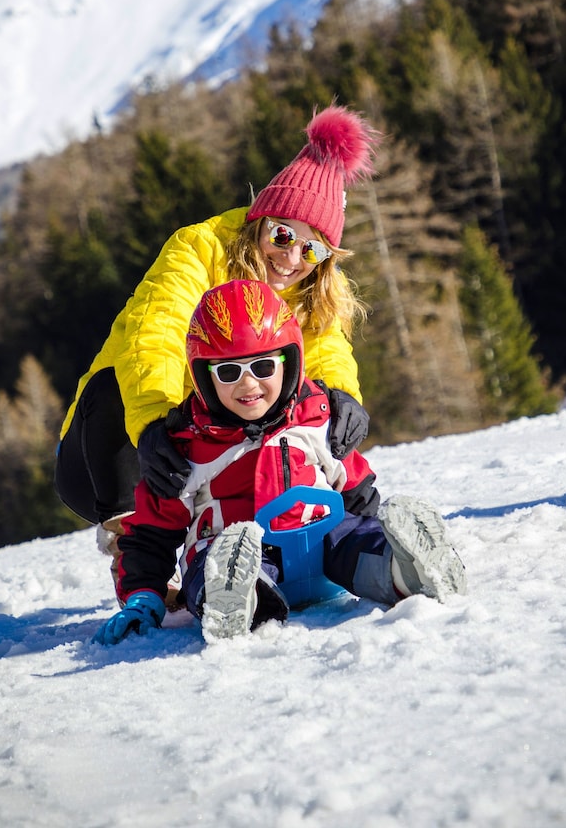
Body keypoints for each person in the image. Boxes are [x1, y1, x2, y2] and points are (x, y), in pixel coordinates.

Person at [55, 104, 380, 532]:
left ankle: (332, 537)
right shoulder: (199, 249)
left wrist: (341, 395)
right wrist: (153, 423)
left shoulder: (310, 283)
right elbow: (156, 333)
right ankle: (131, 548)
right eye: (282, 235)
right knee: (113, 387)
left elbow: (325, 346)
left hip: (212, 448)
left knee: (303, 407)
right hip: (115, 453)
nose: (291, 258)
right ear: (260, 220)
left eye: (312, 249)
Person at [93, 280, 467, 645]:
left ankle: (405, 569)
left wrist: (370, 527)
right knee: (215, 561)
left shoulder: (317, 417)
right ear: (202, 375)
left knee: (355, 537)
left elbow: (354, 484)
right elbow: (151, 534)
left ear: (289, 361)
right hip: (240, 549)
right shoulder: (187, 447)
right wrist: (143, 596)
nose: (248, 385)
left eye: (262, 367)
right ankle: (234, 600)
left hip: (322, 540)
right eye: (228, 372)